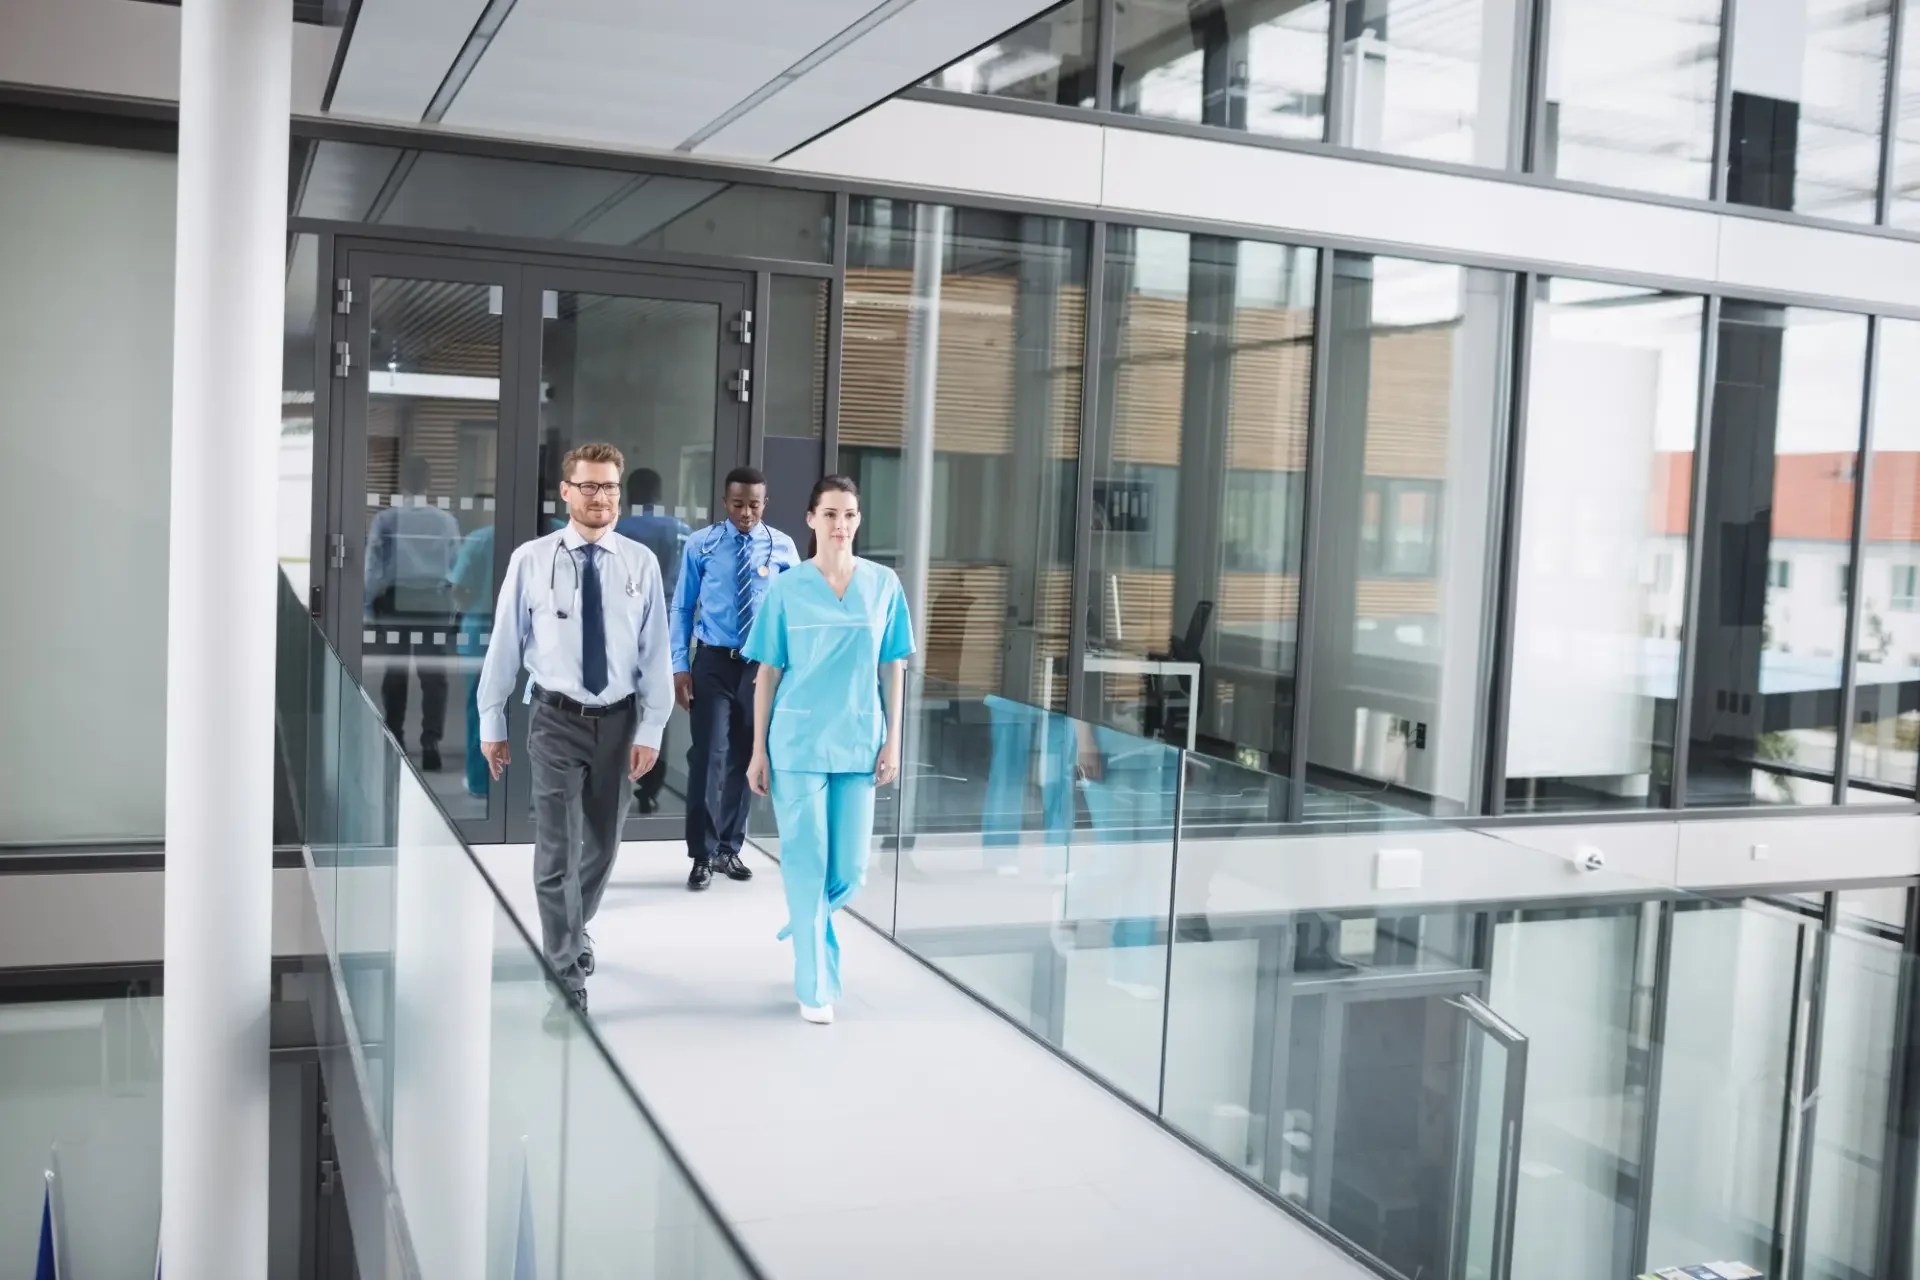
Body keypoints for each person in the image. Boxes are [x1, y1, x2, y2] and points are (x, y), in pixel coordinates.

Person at [476, 443, 672, 1025]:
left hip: (620, 722)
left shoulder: (640, 563)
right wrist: (492, 719)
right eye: (588, 486)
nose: (600, 497)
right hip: (554, 719)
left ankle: (571, 925)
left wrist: (653, 726)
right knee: (557, 850)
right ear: (566, 492)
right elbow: (505, 642)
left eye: (609, 486)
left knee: (603, 845)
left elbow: (656, 651)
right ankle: (566, 975)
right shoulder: (532, 560)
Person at [745, 476, 913, 1025]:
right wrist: (757, 751)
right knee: (806, 860)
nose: (841, 525)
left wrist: (894, 739)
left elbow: (893, 667)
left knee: (851, 869)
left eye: (850, 515)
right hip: (796, 743)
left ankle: (805, 918)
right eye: (831, 514)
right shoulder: (786, 587)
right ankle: (814, 985)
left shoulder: (884, 585)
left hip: (859, 739)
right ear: (811, 519)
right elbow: (768, 673)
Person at [671, 467, 800, 890]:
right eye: (738, 504)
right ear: (726, 502)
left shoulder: (782, 547)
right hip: (713, 663)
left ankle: (729, 848)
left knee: (747, 757)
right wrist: (679, 666)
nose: (746, 513)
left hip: (760, 666)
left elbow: (796, 609)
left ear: (765, 504)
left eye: (754, 505)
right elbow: (682, 607)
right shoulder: (701, 544)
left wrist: (791, 667)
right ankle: (702, 854)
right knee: (708, 756)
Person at [364, 455, 462, 770]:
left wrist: (368, 606)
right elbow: (456, 565)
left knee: (395, 672)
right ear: (429, 482)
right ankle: (431, 741)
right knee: (434, 676)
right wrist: (455, 608)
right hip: (434, 602)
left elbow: (373, 567)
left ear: (401, 481)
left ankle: (395, 738)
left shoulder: (386, 519)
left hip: (397, 601)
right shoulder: (446, 521)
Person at [616, 467, 691, 814]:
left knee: (619, 703)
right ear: (659, 494)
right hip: (669, 626)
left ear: (630, 495)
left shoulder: (621, 530)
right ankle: (651, 786)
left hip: (627, 627)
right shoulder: (681, 530)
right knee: (658, 704)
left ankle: (620, 778)